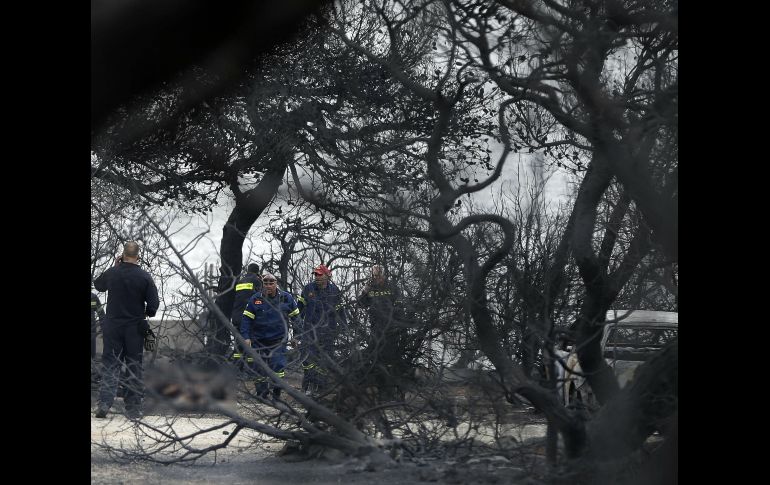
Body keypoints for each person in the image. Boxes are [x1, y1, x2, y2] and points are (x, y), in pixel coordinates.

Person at [93, 241, 160, 419]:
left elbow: (98, 285)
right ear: (138, 257)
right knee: (133, 366)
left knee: (111, 364)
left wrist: (114, 266)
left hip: (113, 327)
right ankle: (133, 408)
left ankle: (105, 404)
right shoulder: (145, 277)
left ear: (122, 255)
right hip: (134, 329)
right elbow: (154, 306)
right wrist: (144, 313)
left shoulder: (112, 273)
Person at [240, 272, 300, 400]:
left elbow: (297, 319)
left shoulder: (286, 298)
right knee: (259, 369)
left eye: (271, 283)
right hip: (258, 340)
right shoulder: (255, 299)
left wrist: (296, 336)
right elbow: (246, 319)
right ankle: (262, 395)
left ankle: (276, 394)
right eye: (265, 283)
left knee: (278, 367)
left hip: (278, 340)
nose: (268, 286)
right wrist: (246, 337)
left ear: (276, 284)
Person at [358, 265, 410, 397]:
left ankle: (392, 391)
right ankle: (379, 390)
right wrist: (365, 291)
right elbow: (361, 304)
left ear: (383, 274)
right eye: (374, 275)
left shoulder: (392, 287)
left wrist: (398, 325)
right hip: (375, 330)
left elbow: (400, 306)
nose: (376, 278)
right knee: (375, 359)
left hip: (391, 330)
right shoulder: (371, 287)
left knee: (390, 360)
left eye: (378, 275)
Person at [296, 264, 347, 396]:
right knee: (308, 360)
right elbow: (299, 310)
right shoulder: (308, 289)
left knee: (325, 361)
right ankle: (307, 387)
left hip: (328, 332)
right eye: (315, 274)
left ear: (327, 276)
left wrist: (344, 329)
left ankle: (321, 389)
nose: (316, 277)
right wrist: (296, 330)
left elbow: (340, 312)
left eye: (319, 274)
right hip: (309, 332)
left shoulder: (335, 290)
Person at [229, 263, 262, 367]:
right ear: (257, 271)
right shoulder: (257, 281)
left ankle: (237, 368)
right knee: (251, 344)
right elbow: (261, 297)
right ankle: (250, 369)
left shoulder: (240, 281)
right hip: (249, 318)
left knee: (239, 344)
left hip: (236, 317)